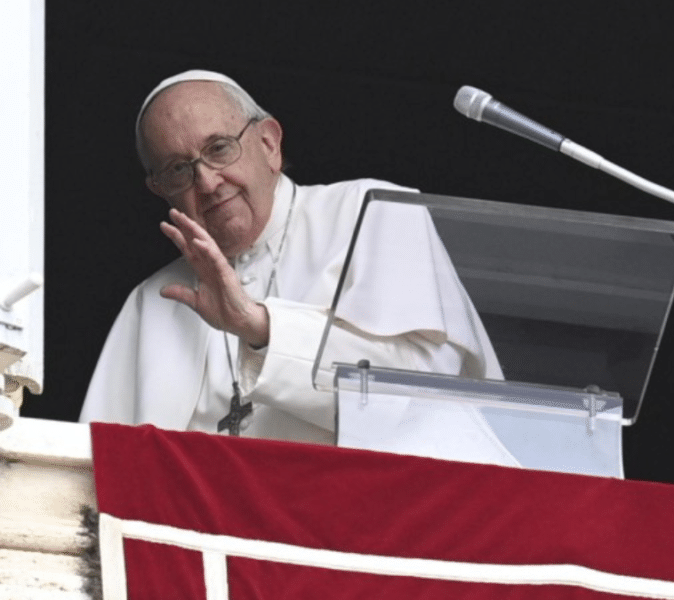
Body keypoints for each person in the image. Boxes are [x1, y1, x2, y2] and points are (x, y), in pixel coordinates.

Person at [79, 70, 508, 452]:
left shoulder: (371, 210)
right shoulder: (152, 301)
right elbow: (99, 461)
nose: (207, 182)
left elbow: (421, 397)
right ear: (160, 190)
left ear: (269, 143)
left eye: (219, 148)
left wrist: (263, 329)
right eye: (177, 169)